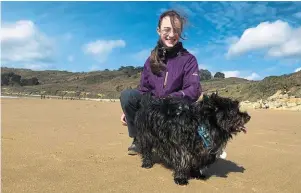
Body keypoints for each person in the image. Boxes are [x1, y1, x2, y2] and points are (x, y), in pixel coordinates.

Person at [120, 10, 202, 155]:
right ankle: (139, 139)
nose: (171, 34)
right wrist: (129, 111)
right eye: (167, 30)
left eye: (176, 30)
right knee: (128, 96)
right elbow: (143, 90)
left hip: (175, 109)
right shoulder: (150, 60)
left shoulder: (189, 59)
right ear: (158, 31)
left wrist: (170, 99)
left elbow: (193, 89)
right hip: (154, 106)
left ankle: (173, 141)